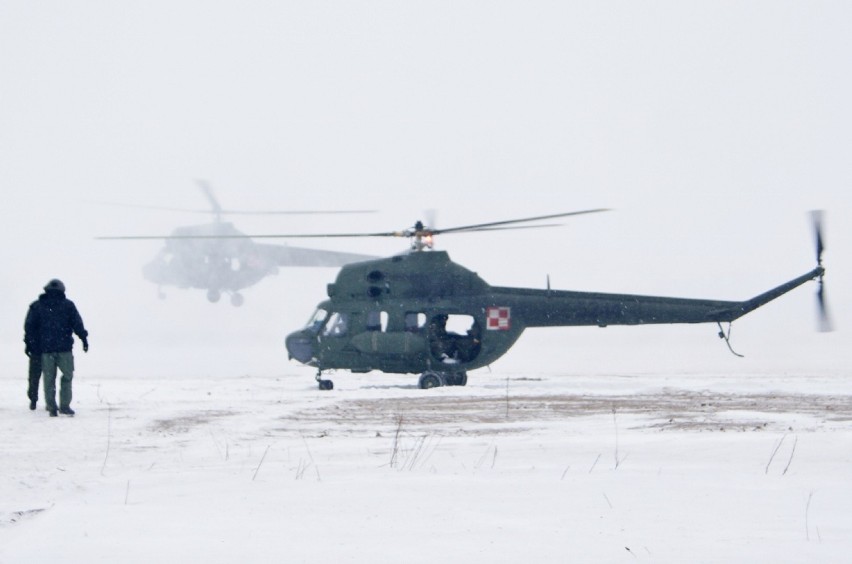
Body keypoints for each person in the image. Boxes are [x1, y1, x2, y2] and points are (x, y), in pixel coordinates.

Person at [23, 279, 89, 417]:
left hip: (47, 349)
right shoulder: (68, 305)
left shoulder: (37, 306)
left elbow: (29, 327)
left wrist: (29, 343)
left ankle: (52, 407)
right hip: (63, 349)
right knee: (66, 377)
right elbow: (77, 323)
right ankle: (64, 406)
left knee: (49, 379)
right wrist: (83, 338)